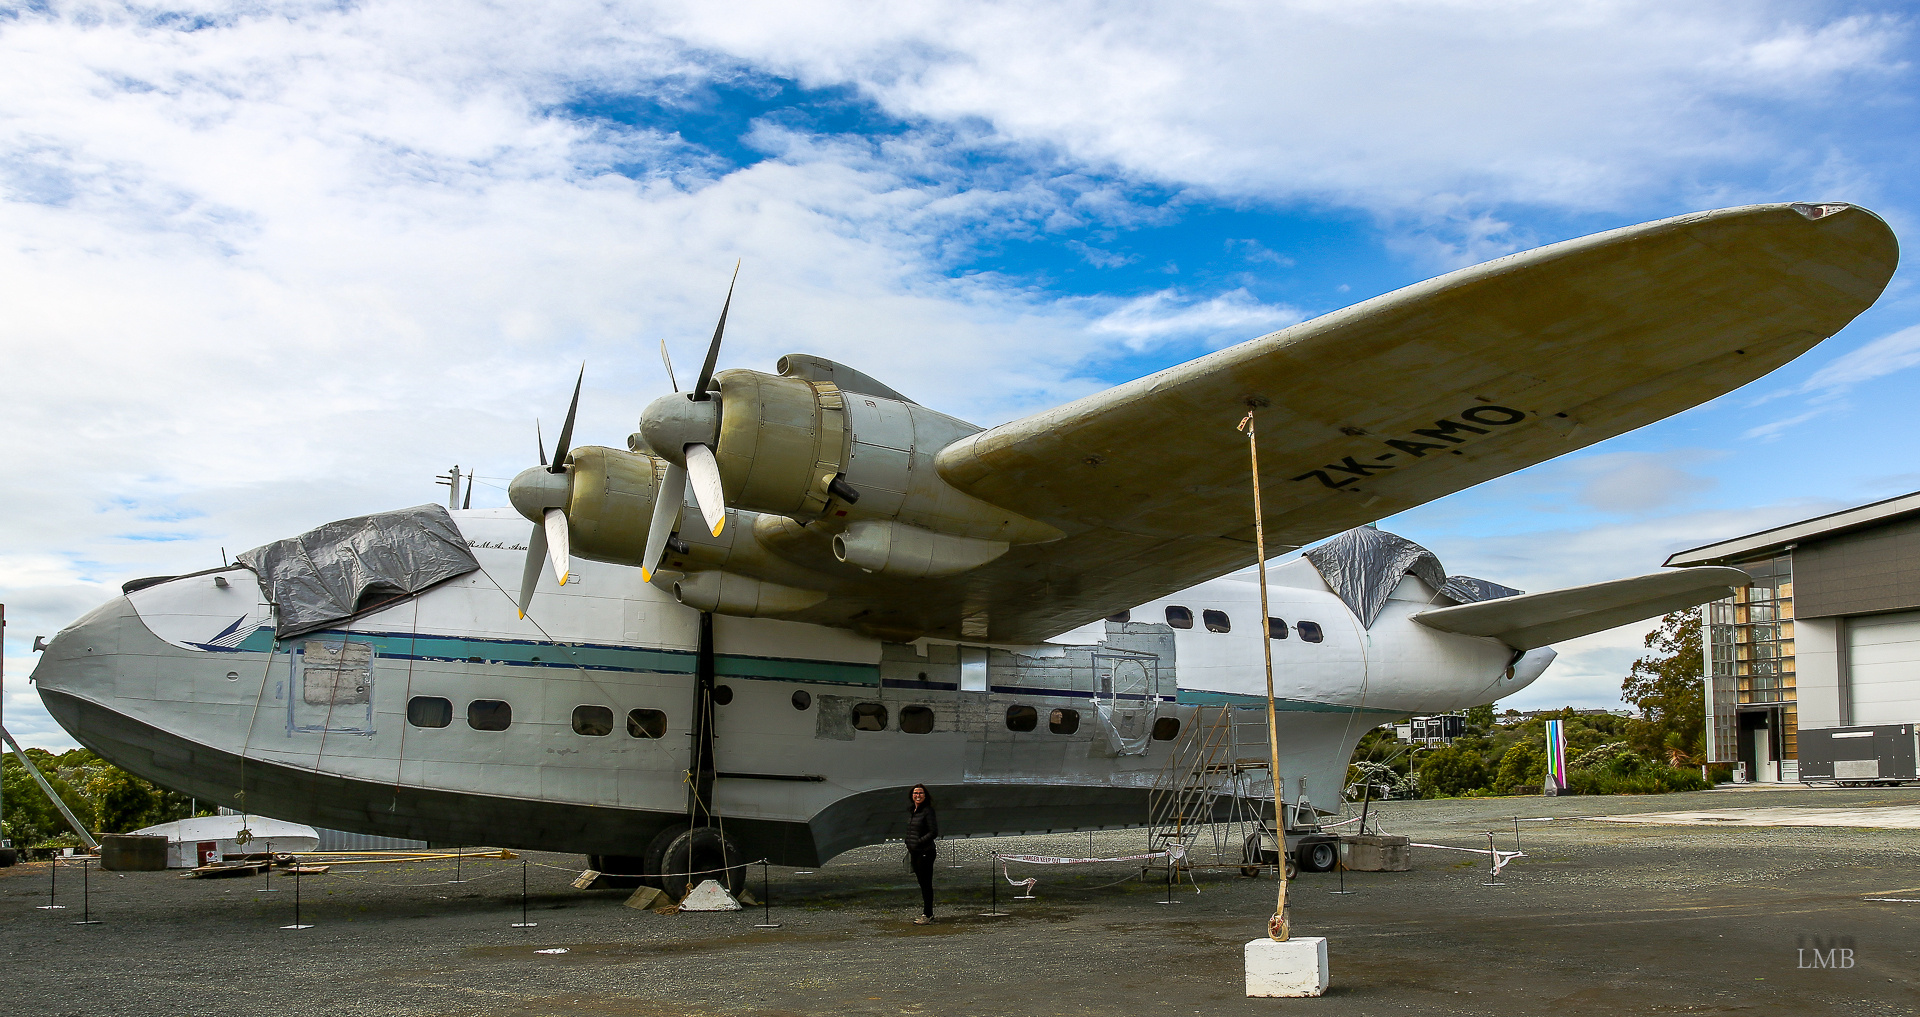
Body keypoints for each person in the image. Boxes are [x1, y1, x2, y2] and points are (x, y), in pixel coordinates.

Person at [906, 784, 938, 924]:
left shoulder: (927, 811)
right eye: (915, 793)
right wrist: (909, 842)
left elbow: (933, 832)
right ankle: (927, 913)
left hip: (925, 852)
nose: (917, 795)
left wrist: (918, 842)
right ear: (912, 795)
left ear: (925, 796)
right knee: (922, 883)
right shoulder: (913, 811)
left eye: (920, 793)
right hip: (915, 852)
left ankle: (928, 914)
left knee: (926, 884)